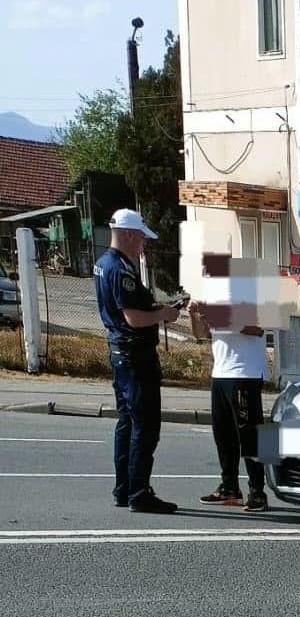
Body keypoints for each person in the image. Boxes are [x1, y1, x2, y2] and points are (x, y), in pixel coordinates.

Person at [93, 209, 181, 513]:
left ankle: (124, 488)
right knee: (145, 426)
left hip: (121, 353)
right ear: (130, 235)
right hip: (135, 356)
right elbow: (133, 318)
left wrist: (157, 308)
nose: (144, 244)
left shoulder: (104, 264)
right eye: (142, 238)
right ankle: (139, 492)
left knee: (127, 422)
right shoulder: (121, 269)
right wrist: (163, 314)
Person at [189, 297, 271, 513]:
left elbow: (257, 328)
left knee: (249, 435)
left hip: (246, 373)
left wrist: (214, 315)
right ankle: (230, 487)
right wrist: (193, 313)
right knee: (223, 435)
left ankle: (257, 492)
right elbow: (200, 334)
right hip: (221, 373)